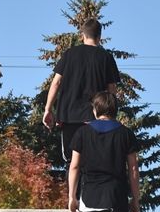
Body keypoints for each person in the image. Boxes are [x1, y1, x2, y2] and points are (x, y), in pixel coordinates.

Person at [42, 18, 120, 163]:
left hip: (68, 116)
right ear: (99, 37)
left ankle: (72, 186)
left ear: (82, 35)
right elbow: (111, 90)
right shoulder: (106, 58)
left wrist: (48, 109)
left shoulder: (69, 54)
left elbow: (56, 83)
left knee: (71, 162)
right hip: (95, 117)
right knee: (93, 160)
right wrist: (111, 116)